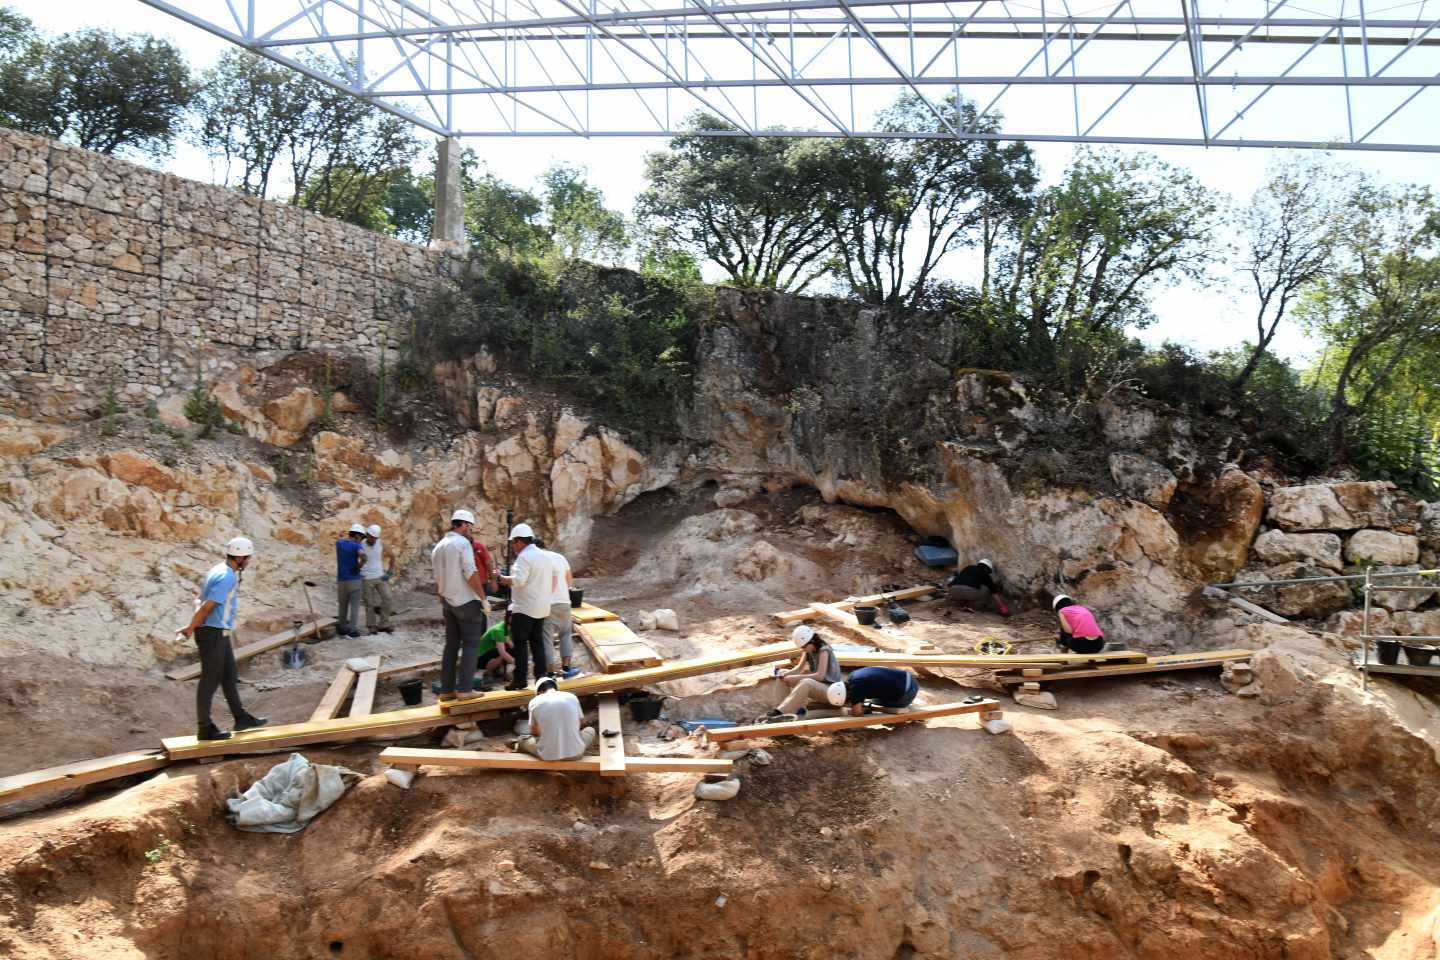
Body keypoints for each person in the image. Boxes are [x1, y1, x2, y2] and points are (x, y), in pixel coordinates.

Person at [175, 537, 269, 741]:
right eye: (248, 558)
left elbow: (198, 600)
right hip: (212, 632)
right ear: (241, 557)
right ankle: (205, 729)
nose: (249, 561)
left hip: (218, 631)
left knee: (228, 675)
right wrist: (191, 628)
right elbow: (208, 606)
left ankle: (241, 718)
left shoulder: (217, 569)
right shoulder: (227, 577)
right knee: (210, 680)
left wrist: (193, 623)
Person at [430, 509, 490, 702]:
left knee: (451, 646)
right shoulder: (462, 543)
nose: (470, 531)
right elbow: (470, 573)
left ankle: (446, 690)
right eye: (469, 527)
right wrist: (483, 598)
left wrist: (443, 598)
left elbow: (438, 577)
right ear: (464, 525)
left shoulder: (439, 546)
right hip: (466, 602)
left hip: (448, 602)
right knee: (472, 644)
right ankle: (465, 689)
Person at [498, 522, 552, 689]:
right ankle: (541, 678)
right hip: (541, 607)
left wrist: (502, 578)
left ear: (520, 541)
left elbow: (518, 581)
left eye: (514, 542)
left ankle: (520, 679)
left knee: (520, 645)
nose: (513, 546)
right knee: (537, 644)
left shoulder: (524, 557)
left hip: (525, 608)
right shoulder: (544, 556)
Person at [515, 676, 596, 761]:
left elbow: (535, 732)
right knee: (590, 730)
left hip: (548, 756)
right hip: (576, 754)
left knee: (523, 739)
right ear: (555, 688)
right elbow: (579, 724)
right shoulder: (572, 697)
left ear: (539, 692)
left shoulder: (534, 702)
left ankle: (517, 745)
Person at [770, 625, 842, 717]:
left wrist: (795, 677)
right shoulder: (808, 650)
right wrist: (784, 675)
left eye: (804, 647)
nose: (803, 649)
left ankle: (781, 712)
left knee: (806, 682)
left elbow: (820, 676)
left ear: (811, 641)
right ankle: (780, 710)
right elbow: (799, 668)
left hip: (832, 690)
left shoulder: (824, 650)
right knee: (782, 672)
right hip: (820, 686)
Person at [535, 537, 579, 679]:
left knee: (547, 638)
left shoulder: (536, 559)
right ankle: (566, 669)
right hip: (564, 601)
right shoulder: (559, 557)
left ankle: (550, 672)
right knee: (565, 634)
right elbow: (569, 580)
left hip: (546, 604)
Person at [826, 666, 920, 717]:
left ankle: (903, 702)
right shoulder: (852, 677)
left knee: (874, 703)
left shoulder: (855, 690)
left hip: (908, 692)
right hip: (908, 678)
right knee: (870, 699)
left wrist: (861, 710)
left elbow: (857, 714)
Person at [360, 523, 394, 635]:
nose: (373, 540)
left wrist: (390, 571)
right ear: (367, 535)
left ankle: (384, 623)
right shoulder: (361, 544)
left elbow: (392, 556)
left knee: (387, 597)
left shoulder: (381, 543)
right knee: (369, 602)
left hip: (379, 576)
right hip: (366, 577)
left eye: (375, 538)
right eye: (371, 537)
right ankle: (371, 625)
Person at [946, 558, 1011, 616]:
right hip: (969, 593)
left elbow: (959, 579)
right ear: (987, 568)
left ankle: (962, 604)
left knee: (971, 587)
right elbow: (994, 592)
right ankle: (974, 607)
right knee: (986, 589)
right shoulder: (985, 574)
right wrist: (1003, 607)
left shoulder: (968, 567)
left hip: (952, 590)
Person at [335, 523, 367, 638]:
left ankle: (342, 628)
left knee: (342, 606)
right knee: (354, 607)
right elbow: (363, 556)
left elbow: (339, 539)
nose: (361, 540)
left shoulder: (339, 544)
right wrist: (359, 566)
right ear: (357, 536)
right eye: (362, 538)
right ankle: (352, 630)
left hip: (341, 580)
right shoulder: (357, 546)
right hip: (354, 580)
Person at [476, 606, 516, 686]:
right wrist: (519, 664)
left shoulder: (512, 629)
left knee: (513, 651)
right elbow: (502, 652)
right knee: (502, 654)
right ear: (508, 617)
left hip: (491, 655)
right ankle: (487, 674)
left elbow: (515, 649)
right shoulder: (498, 630)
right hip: (480, 659)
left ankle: (505, 673)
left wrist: (510, 642)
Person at [470, 528, 498, 597]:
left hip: (481, 584)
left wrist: (494, 581)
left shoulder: (479, 547)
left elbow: (490, 565)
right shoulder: (461, 548)